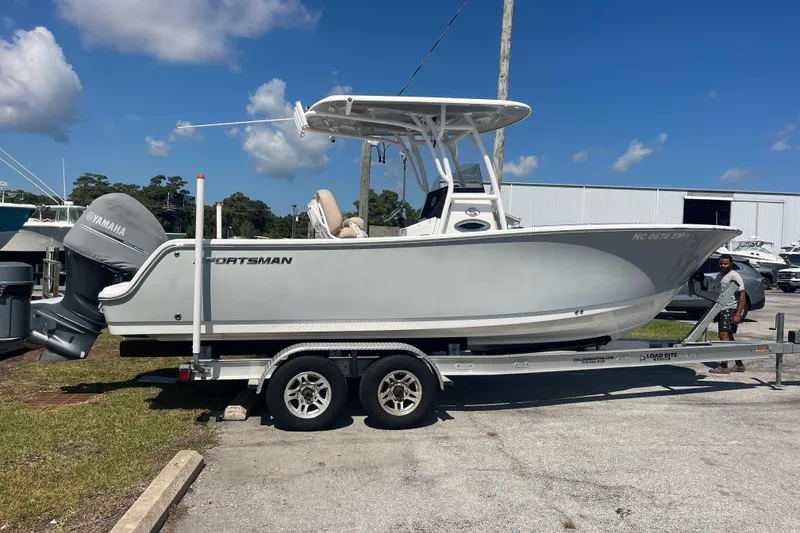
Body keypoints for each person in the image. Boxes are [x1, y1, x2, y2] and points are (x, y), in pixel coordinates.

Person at [709, 254, 747, 374]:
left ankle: (724, 365)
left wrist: (737, 314)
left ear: (730, 263)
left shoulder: (735, 276)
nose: (723, 266)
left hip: (729, 309)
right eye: (721, 263)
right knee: (729, 337)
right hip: (721, 308)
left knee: (723, 336)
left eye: (725, 263)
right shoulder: (720, 276)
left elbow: (742, 295)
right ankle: (739, 364)